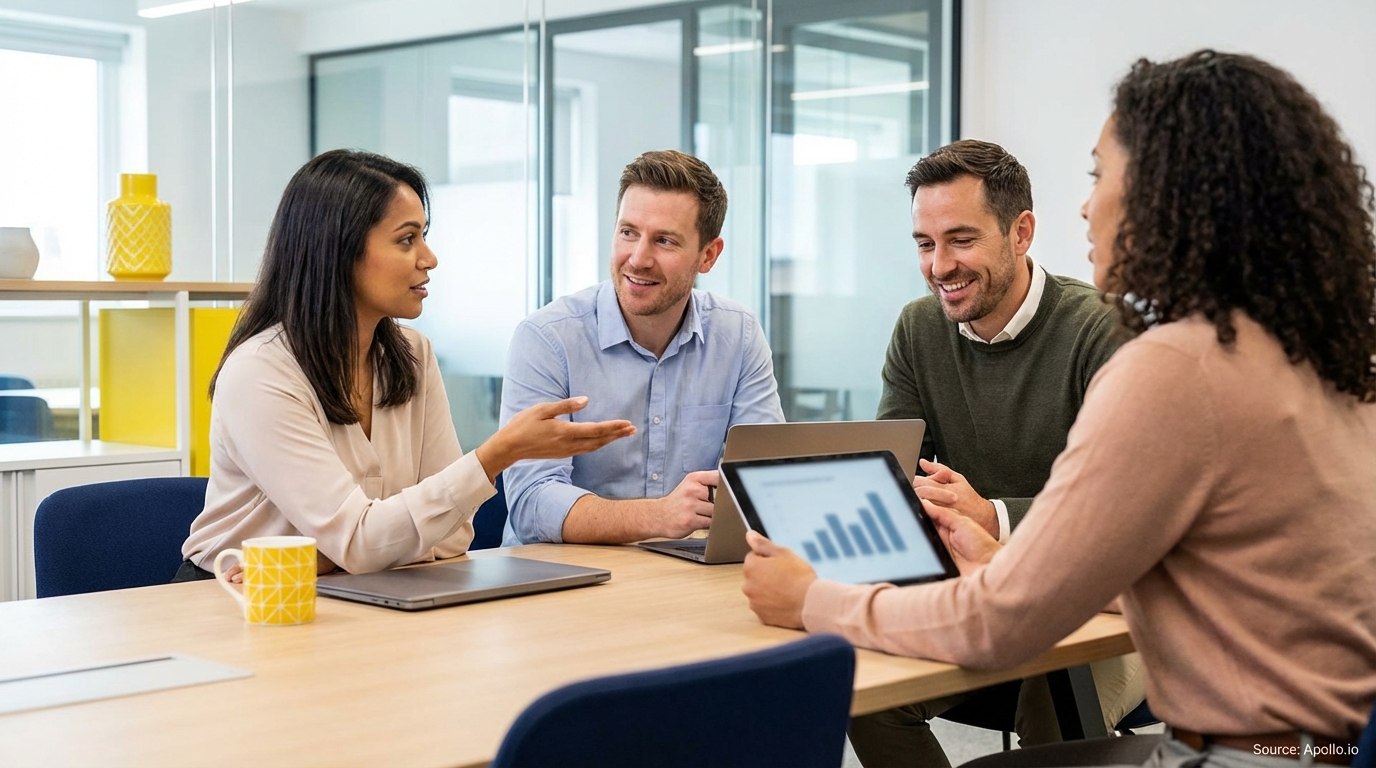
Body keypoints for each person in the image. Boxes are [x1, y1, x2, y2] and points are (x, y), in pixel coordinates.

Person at [743, 49, 1376, 767]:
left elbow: (1000, 624)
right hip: (1322, 749)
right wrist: (1012, 560)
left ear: (1172, 194)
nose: (1087, 203)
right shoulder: (1317, 355)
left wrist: (809, 600)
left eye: (1099, 174)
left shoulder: (1175, 366)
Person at [179, 149, 634, 579]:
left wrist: (331, 557)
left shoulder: (413, 354)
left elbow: (454, 534)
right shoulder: (260, 373)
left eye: (424, 236)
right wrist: (498, 453)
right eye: (406, 239)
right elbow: (364, 542)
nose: (429, 258)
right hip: (233, 597)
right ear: (339, 252)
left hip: (356, 591)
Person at [850, 139, 1137, 767]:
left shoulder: (1103, 329)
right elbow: (897, 477)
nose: (939, 266)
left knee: (1055, 694)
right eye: (925, 244)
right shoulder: (919, 329)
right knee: (861, 688)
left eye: (961, 239)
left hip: (1110, 601)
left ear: (1021, 232)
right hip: (977, 587)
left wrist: (994, 516)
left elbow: (1116, 514)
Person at [500, 149, 784, 545]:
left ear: (708, 255)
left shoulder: (738, 334)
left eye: (664, 241)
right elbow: (531, 503)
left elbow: (766, 480)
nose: (638, 258)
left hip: (681, 577)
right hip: (558, 582)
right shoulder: (548, 338)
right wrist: (658, 517)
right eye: (628, 232)